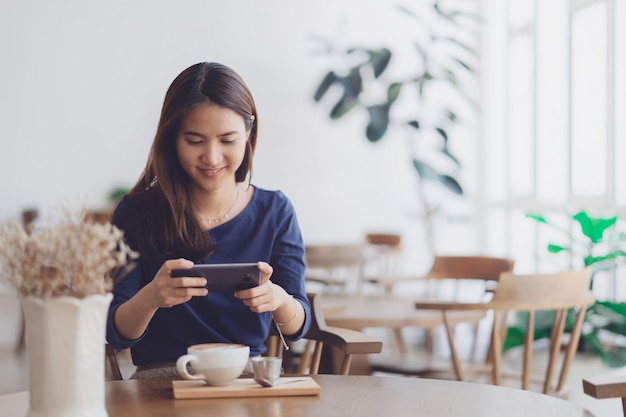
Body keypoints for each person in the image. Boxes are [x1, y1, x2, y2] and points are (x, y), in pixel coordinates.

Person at [105, 62, 311, 378]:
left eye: (227, 140)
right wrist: (152, 296)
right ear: (172, 138)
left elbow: (298, 326)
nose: (212, 158)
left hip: (246, 379)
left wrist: (279, 299)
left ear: (248, 131)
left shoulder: (275, 211)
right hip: (161, 380)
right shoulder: (136, 212)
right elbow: (116, 331)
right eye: (195, 141)